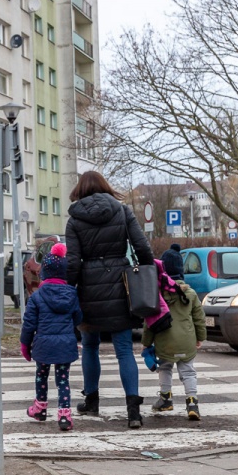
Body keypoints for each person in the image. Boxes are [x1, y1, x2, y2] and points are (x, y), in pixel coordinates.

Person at [65, 171, 154, 429]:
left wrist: (68, 289)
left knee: (90, 345)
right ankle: (133, 412)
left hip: (90, 288)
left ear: (80, 190)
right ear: (105, 187)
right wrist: (147, 273)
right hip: (121, 285)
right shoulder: (122, 211)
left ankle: (91, 401)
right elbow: (143, 248)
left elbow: (72, 261)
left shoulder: (74, 220)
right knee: (124, 349)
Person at [20, 243, 83, 431]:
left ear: (44, 273)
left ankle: (39, 408)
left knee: (42, 375)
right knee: (62, 379)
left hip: (43, 344)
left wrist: (25, 344)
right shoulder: (71, 294)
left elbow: (29, 324)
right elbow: (78, 317)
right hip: (65, 343)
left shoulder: (37, 297)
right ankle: (64, 415)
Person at [142, 256, 207, 420]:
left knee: (165, 368)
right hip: (186, 339)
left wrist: (146, 343)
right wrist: (200, 337)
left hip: (164, 340)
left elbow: (149, 322)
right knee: (188, 372)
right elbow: (199, 318)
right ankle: (192, 403)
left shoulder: (157, 295)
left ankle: (165, 399)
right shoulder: (190, 294)